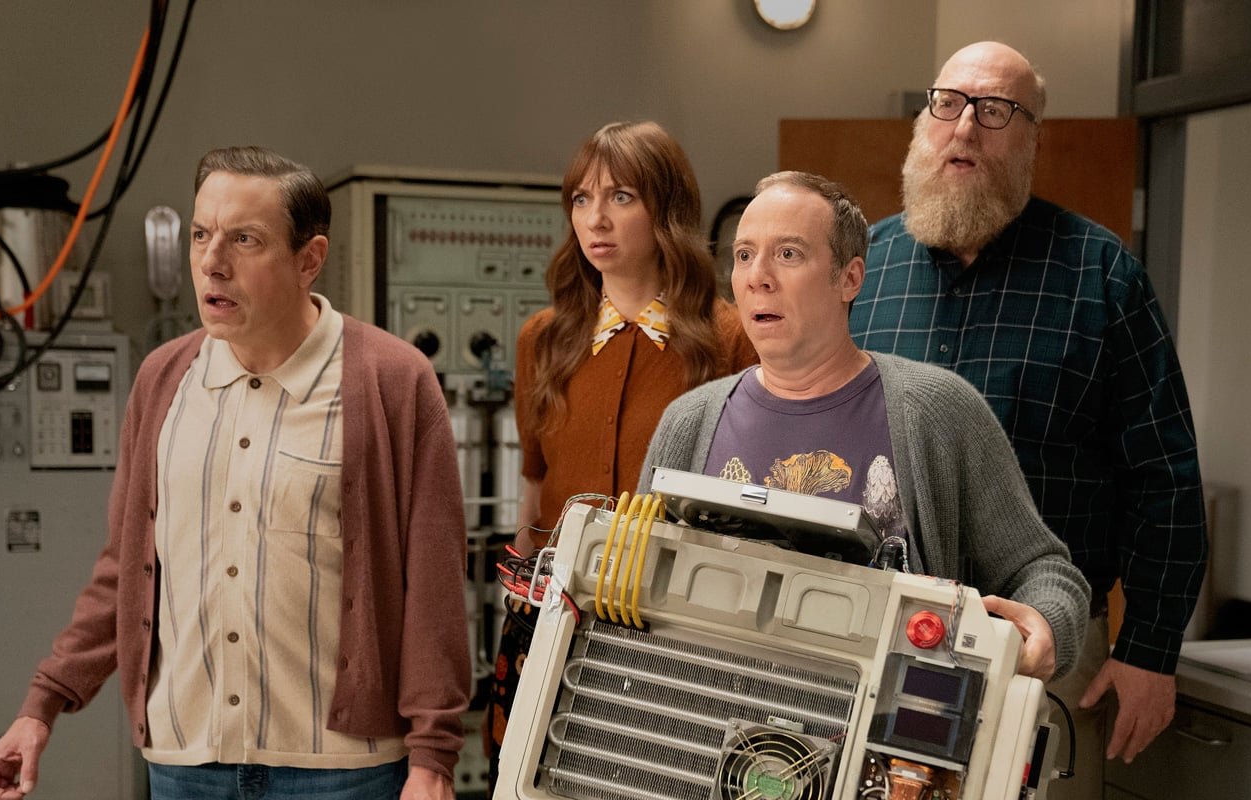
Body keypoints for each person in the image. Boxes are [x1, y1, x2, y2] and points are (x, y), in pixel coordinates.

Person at [0, 146, 470, 800]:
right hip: (185, 763)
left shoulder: (393, 381)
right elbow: (125, 568)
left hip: (343, 771)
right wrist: (41, 706)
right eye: (200, 234)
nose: (212, 261)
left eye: (244, 239)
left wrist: (433, 757)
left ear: (309, 260)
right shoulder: (162, 380)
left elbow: (433, 581)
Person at [848, 41, 1207, 797]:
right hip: (876, 634)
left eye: (995, 111)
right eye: (948, 104)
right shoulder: (861, 270)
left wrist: (1150, 649)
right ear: (922, 123)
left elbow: (1164, 478)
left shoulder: (1100, 277)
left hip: (1046, 644)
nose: (964, 128)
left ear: (1032, 138)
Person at [638, 171, 1090, 682]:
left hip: (878, 726)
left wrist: (1046, 628)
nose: (757, 276)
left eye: (788, 254)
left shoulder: (937, 410)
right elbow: (635, 591)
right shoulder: (689, 422)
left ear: (849, 279)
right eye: (744, 255)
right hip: (707, 723)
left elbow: (1042, 571)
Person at [486, 120, 756, 788]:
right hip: (550, 618)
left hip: (677, 638)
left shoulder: (729, 340)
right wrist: (518, 608)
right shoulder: (543, 339)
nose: (595, 219)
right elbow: (534, 489)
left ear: (667, 211)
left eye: (621, 197)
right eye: (581, 199)